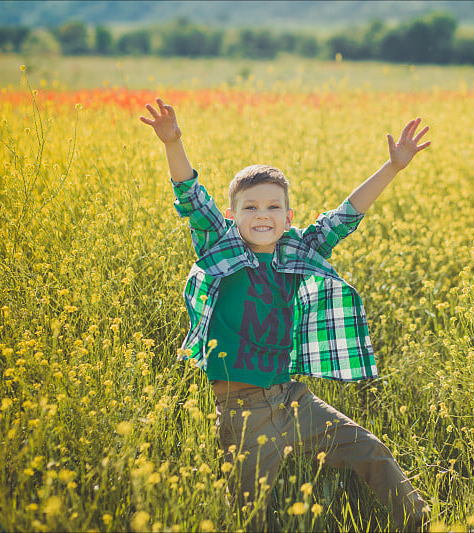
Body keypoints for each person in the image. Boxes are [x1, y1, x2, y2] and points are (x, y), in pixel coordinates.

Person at [140, 98, 431, 531]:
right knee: (251, 519)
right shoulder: (222, 247)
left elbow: (345, 216)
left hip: (293, 400)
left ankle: (422, 523)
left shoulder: (298, 250)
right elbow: (192, 199)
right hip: (243, 413)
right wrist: (173, 142)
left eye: (273, 207)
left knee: (371, 451)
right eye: (251, 207)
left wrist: (393, 167)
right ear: (232, 216)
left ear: (288, 216)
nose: (263, 215)